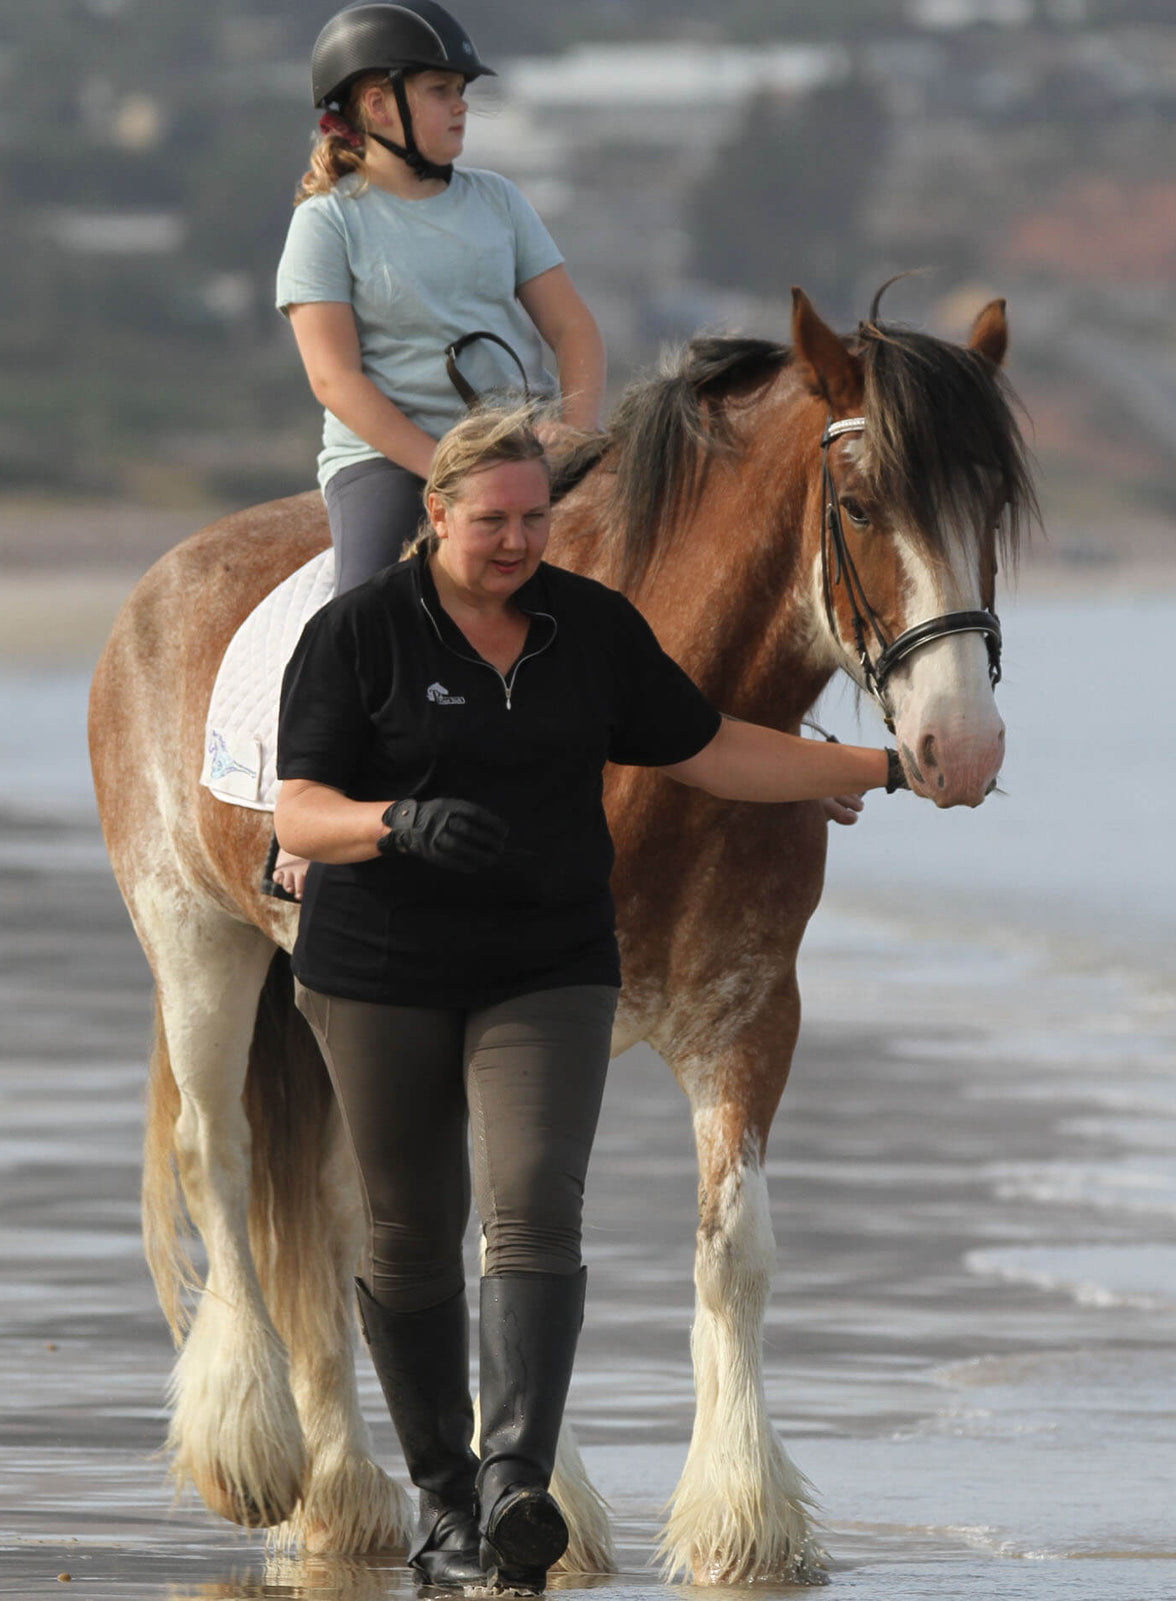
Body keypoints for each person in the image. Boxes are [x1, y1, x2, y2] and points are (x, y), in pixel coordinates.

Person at [273, 408, 904, 1592]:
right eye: (492, 519)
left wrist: (884, 765)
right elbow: (296, 809)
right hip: (381, 968)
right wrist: (392, 822)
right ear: (437, 515)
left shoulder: (590, 626)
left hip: (546, 963)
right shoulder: (360, 633)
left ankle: (515, 1481)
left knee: (532, 1212)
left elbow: (710, 746)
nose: (516, 540)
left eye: (534, 517)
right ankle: (448, 1500)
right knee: (410, 1232)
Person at [266, 0, 604, 901]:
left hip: (519, 448)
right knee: (365, 596)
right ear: (377, 105)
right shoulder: (328, 225)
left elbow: (573, 328)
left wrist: (569, 430)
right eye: (442, 90)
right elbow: (336, 382)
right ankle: (307, 813)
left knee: (665, 550)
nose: (461, 108)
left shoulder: (500, 201)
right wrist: (444, 470)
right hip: (387, 456)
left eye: (461, 92)